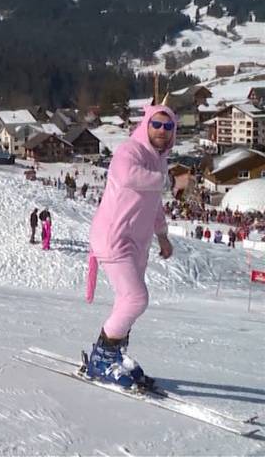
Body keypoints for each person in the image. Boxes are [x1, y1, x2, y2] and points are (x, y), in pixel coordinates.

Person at [85, 105, 185, 388]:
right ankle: (102, 359)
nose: (162, 131)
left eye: (168, 127)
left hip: (136, 243)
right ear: (146, 124)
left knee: (126, 300)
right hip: (113, 237)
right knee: (135, 299)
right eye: (157, 124)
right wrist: (166, 180)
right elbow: (129, 176)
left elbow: (153, 203)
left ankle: (114, 355)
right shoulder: (130, 150)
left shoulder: (159, 160)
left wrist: (163, 236)